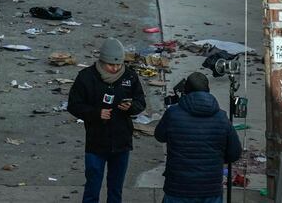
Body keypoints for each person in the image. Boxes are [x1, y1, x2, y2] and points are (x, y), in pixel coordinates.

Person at [66, 38, 147, 203]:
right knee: (92, 188)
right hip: (96, 143)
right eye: (111, 65)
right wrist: (96, 113)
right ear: (102, 61)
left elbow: (140, 102)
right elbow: (74, 105)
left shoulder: (130, 77)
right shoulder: (86, 77)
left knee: (116, 190)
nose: (116, 68)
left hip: (121, 143)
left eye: (118, 65)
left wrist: (131, 107)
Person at [154, 72, 241, 203]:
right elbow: (234, 153)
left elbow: (159, 136)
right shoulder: (222, 118)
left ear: (186, 90)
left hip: (178, 187)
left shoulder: (173, 114)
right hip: (210, 188)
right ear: (208, 91)